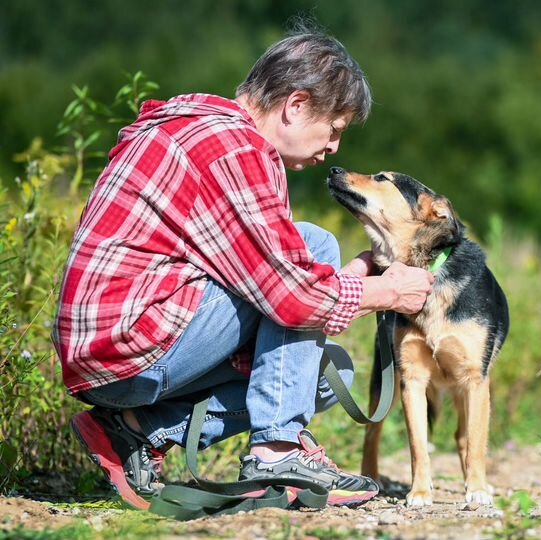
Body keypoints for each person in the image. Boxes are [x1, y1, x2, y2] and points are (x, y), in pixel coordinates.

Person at [52, 23, 434, 510]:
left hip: (108, 348)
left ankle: (134, 431)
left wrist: (354, 278)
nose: (334, 147)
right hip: (126, 347)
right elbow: (291, 297)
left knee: (320, 371)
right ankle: (278, 453)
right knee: (313, 244)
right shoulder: (234, 149)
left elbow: (258, 272)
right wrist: (391, 293)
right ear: (296, 106)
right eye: (334, 129)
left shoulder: (199, 126)